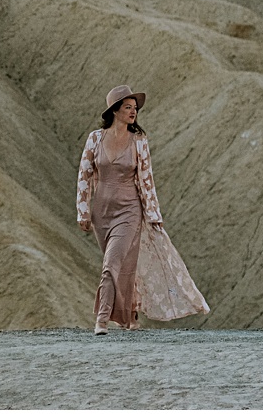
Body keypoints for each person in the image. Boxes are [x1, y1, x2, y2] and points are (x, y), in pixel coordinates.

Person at [77, 85, 209, 336]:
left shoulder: (139, 140)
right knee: (123, 266)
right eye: (128, 107)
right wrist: (82, 210)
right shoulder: (95, 138)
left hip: (129, 210)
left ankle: (102, 319)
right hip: (102, 212)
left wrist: (153, 214)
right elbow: (84, 175)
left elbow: (146, 179)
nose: (133, 112)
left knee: (111, 263)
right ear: (114, 111)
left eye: (134, 108)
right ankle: (131, 315)